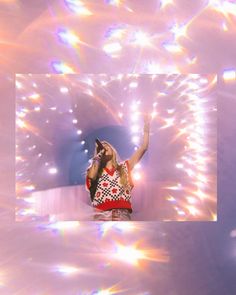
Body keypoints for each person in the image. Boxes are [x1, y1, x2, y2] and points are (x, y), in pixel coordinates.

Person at [85, 115, 150, 221]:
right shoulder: (94, 171)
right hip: (101, 215)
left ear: (113, 150)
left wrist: (146, 128)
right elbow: (91, 177)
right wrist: (98, 155)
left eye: (107, 146)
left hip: (121, 215)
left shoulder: (124, 167)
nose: (104, 148)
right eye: (102, 147)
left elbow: (143, 148)